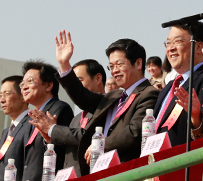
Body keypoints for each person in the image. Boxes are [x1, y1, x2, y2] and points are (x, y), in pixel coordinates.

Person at [55, 32, 159, 174]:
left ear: (138, 63)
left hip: (125, 171)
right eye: (111, 66)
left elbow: (135, 132)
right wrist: (64, 65)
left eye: (119, 64)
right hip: (99, 170)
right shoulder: (113, 96)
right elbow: (81, 96)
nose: (115, 71)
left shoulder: (149, 93)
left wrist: (101, 144)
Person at [29, 59, 106, 177]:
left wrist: (53, 129)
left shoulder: (107, 110)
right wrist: (50, 139)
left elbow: (88, 138)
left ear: (98, 78)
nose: (74, 86)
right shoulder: (76, 118)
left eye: (78, 80)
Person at [154, 22, 203, 145]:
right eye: (168, 43)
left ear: (198, 47)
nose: (171, 48)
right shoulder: (167, 88)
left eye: (178, 41)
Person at [21, 61, 74, 180]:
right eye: (22, 83)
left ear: (49, 85)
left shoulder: (60, 109)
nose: (24, 87)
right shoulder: (31, 117)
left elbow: (64, 150)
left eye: (30, 81)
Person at [0, 76, 29, 181]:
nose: (2, 100)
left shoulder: (32, 124)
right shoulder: (6, 131)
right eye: (0, 95)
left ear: (23, 96)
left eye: (7, 94)